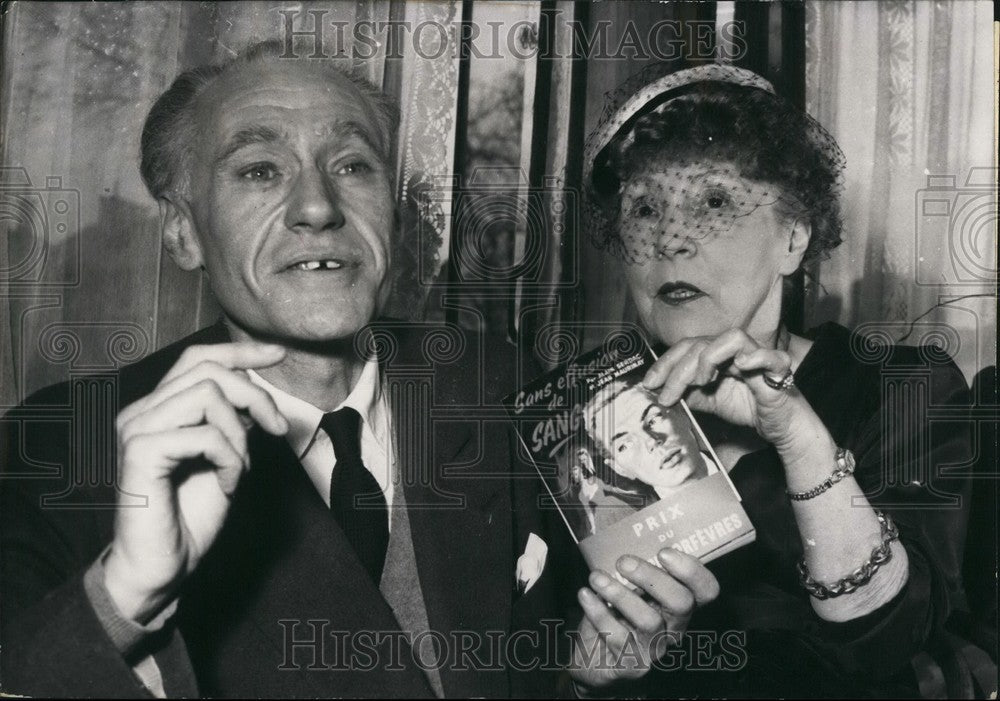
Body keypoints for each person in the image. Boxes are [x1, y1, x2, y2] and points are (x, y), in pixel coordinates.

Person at [0, 41, 581, 699]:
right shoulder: (57, 448)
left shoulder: (493, 385)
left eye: (353, 164)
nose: (317, 206)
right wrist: (124, 593)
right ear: (183, 231)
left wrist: (598, 673)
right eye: (259, 171)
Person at [569, 63, 973, 696]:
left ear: (793, 238)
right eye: (645, 208)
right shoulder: (584, 421)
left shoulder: (900, 390)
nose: (672, 239)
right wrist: (590, 678)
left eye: (714, 202)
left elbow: (889, 638)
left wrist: (798, 438)